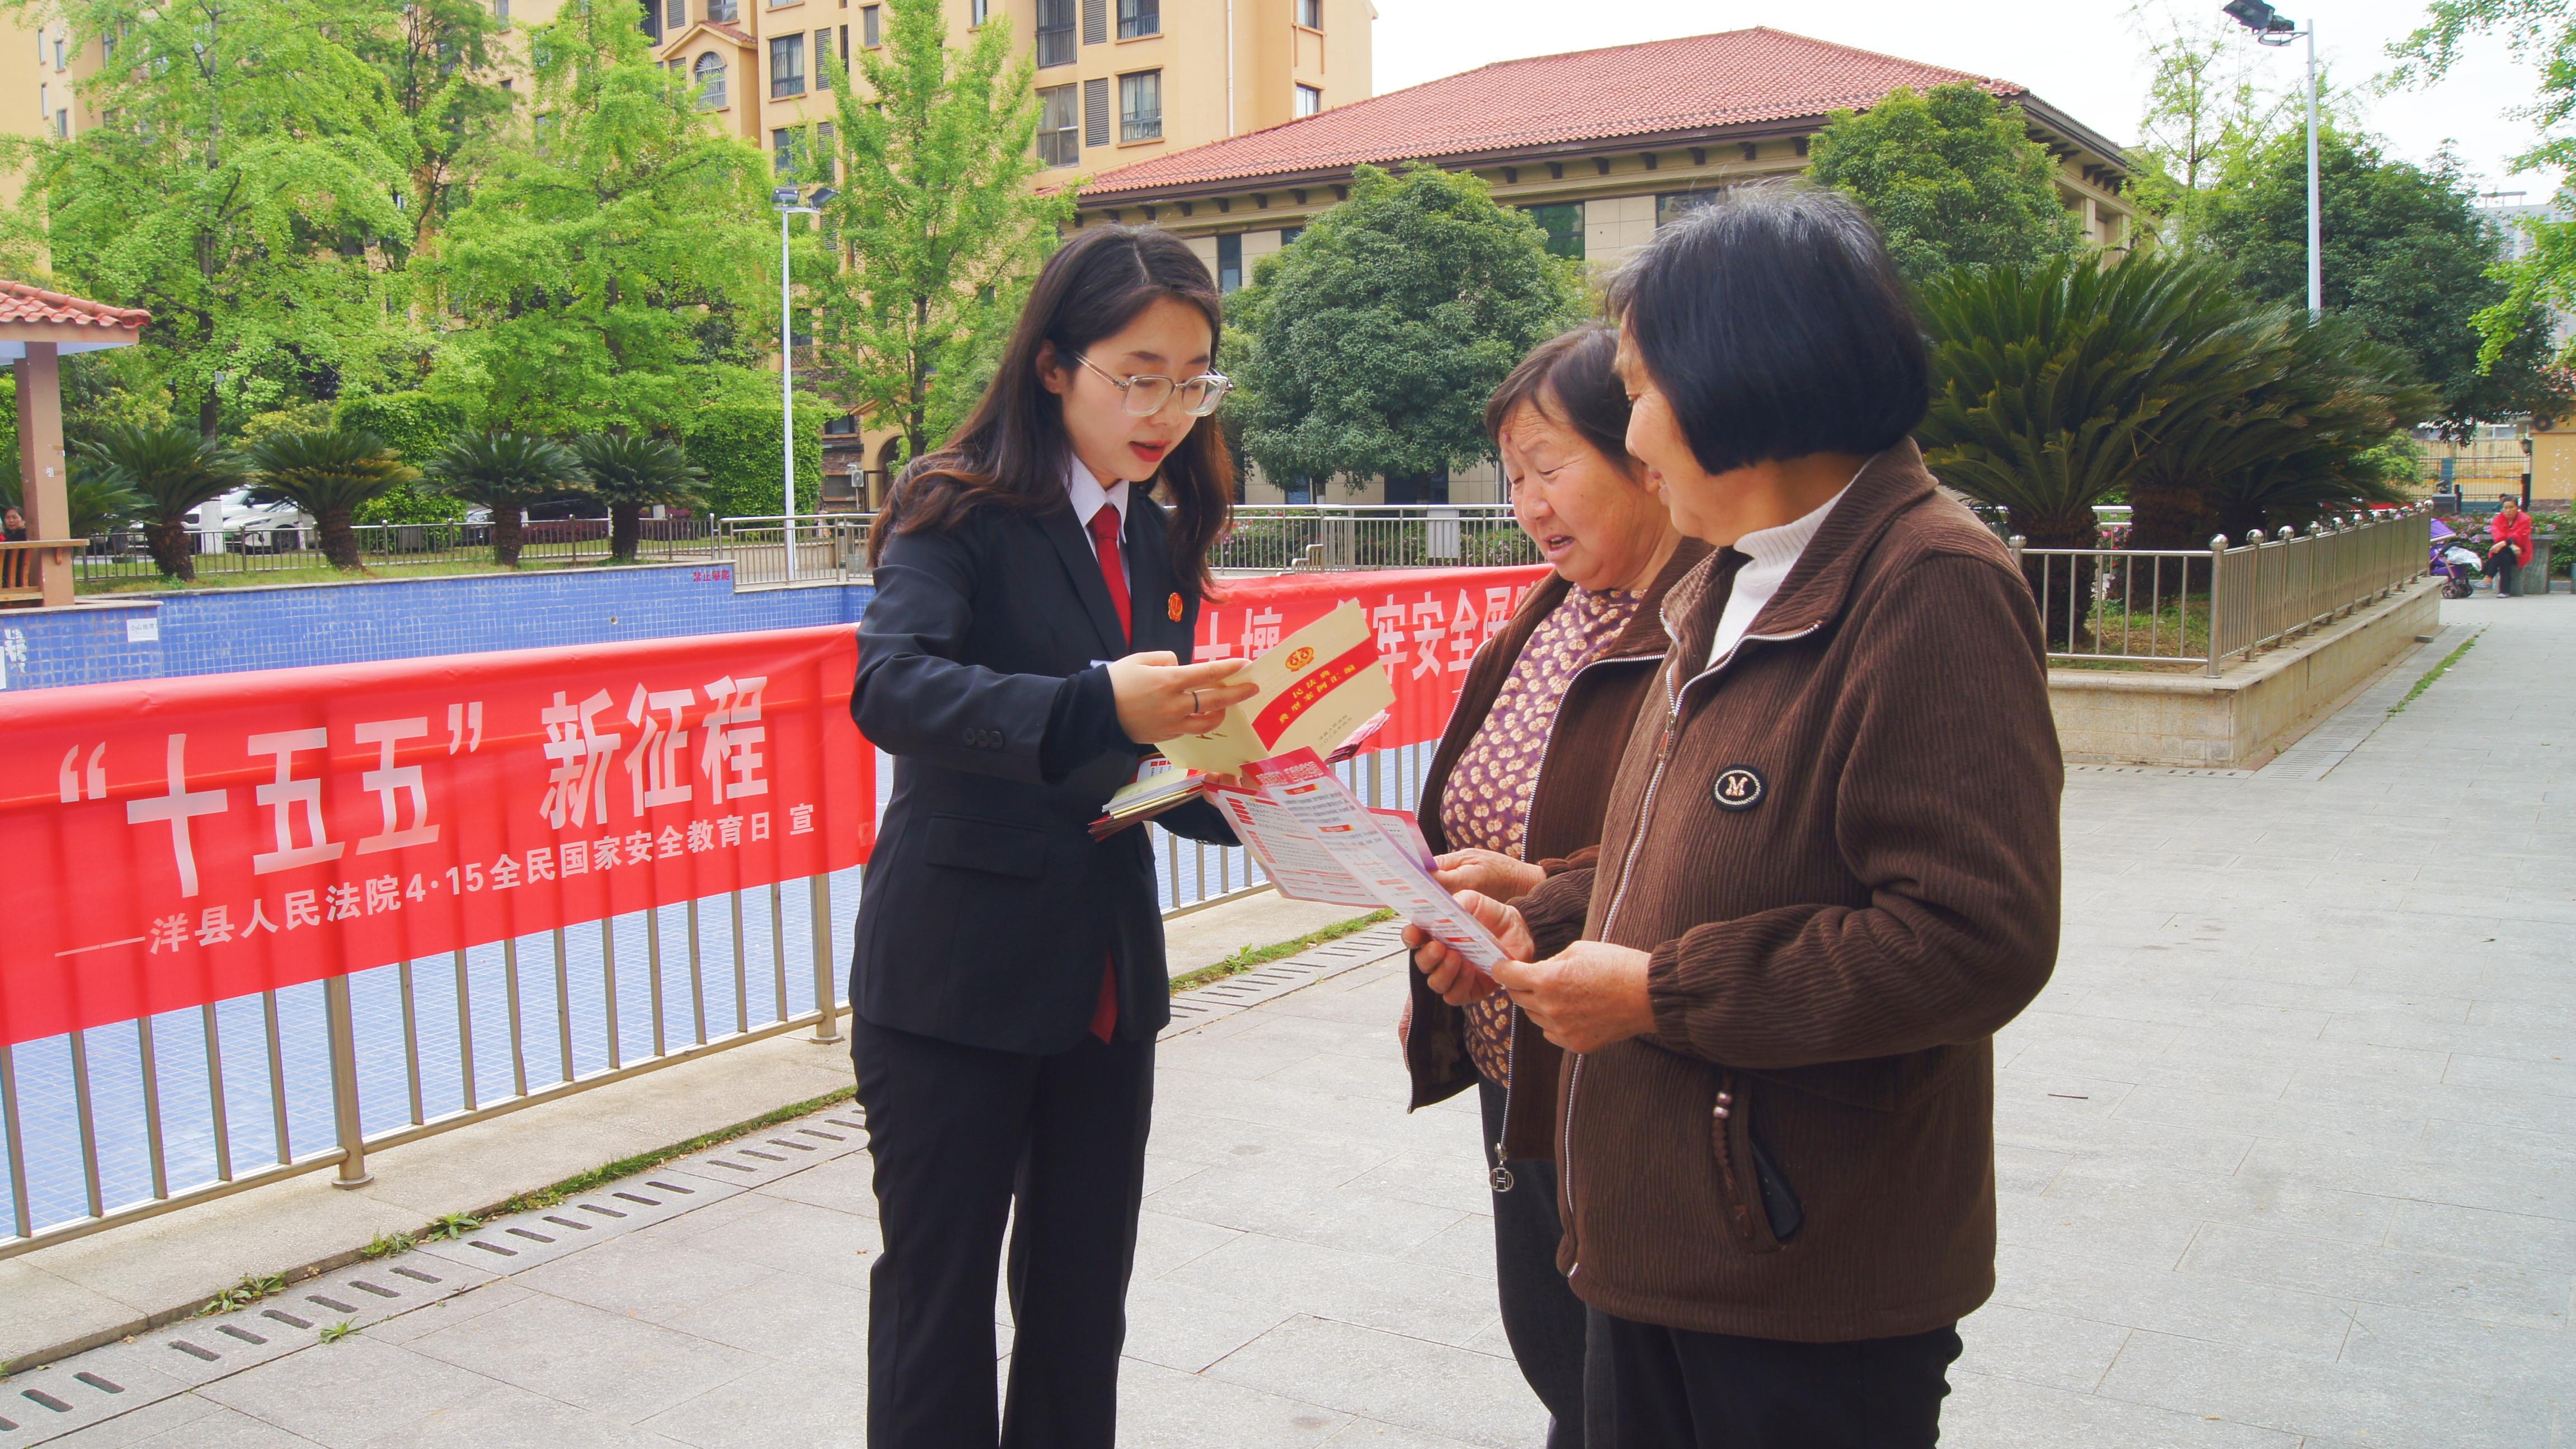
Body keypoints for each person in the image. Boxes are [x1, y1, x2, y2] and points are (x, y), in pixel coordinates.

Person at [1408, 184, 2063, 1449]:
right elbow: (1693, 849)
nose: (1631, 435)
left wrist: (1658, 993)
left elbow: (1969, 938)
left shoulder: (1927, 584)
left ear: (1739, 378)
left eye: (1638, 392)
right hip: (1655, 1238)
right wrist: (1548, 906)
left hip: (1796, 1271)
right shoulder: (1727, 578)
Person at [847, 225, 1257, 1449]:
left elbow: (1141, 759)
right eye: (1140, 376)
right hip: (955, 977)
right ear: (1052, 365)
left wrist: (1254, 787)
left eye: (1193, 382)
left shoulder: (1156, 530)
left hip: (1101, 981)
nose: (1166, 411)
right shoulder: (954, 507)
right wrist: (1098, 701)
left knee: (1083, 1307)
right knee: (938, 1306)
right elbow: (891, 688)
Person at [1401, 323, 1705, 1449]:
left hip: (1628, 1060)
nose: (1528, 504)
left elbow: (1691, 848)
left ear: (1645, 452)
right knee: (1552, 1344)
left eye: (1549, 467)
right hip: (1512, 1045)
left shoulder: (1703, 623)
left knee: (1621, 1378)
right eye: (1513, 476)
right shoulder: (1547, 612)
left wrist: (1538, 886)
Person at [2489, 494, 2532, 597]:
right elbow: (2498, 536)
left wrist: (2506, 543)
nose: (2508, 510)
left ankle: (2489, 576)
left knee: (2503, 552)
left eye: (2511, 507)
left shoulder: (2525, 519)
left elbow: (2520, 536)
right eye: (2505, 508)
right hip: (2504, 550)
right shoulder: (2498, 519)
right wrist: (2510, 545)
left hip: (2520, 551)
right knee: (2505, 557)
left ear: (2517, 508)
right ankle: (2504, 591)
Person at [2, 505, 26, 590]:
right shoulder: (11, 537)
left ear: (24, 520)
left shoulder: (23, 536)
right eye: (8, 518)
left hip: (15, 579)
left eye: (14, 517)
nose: (11, 521)